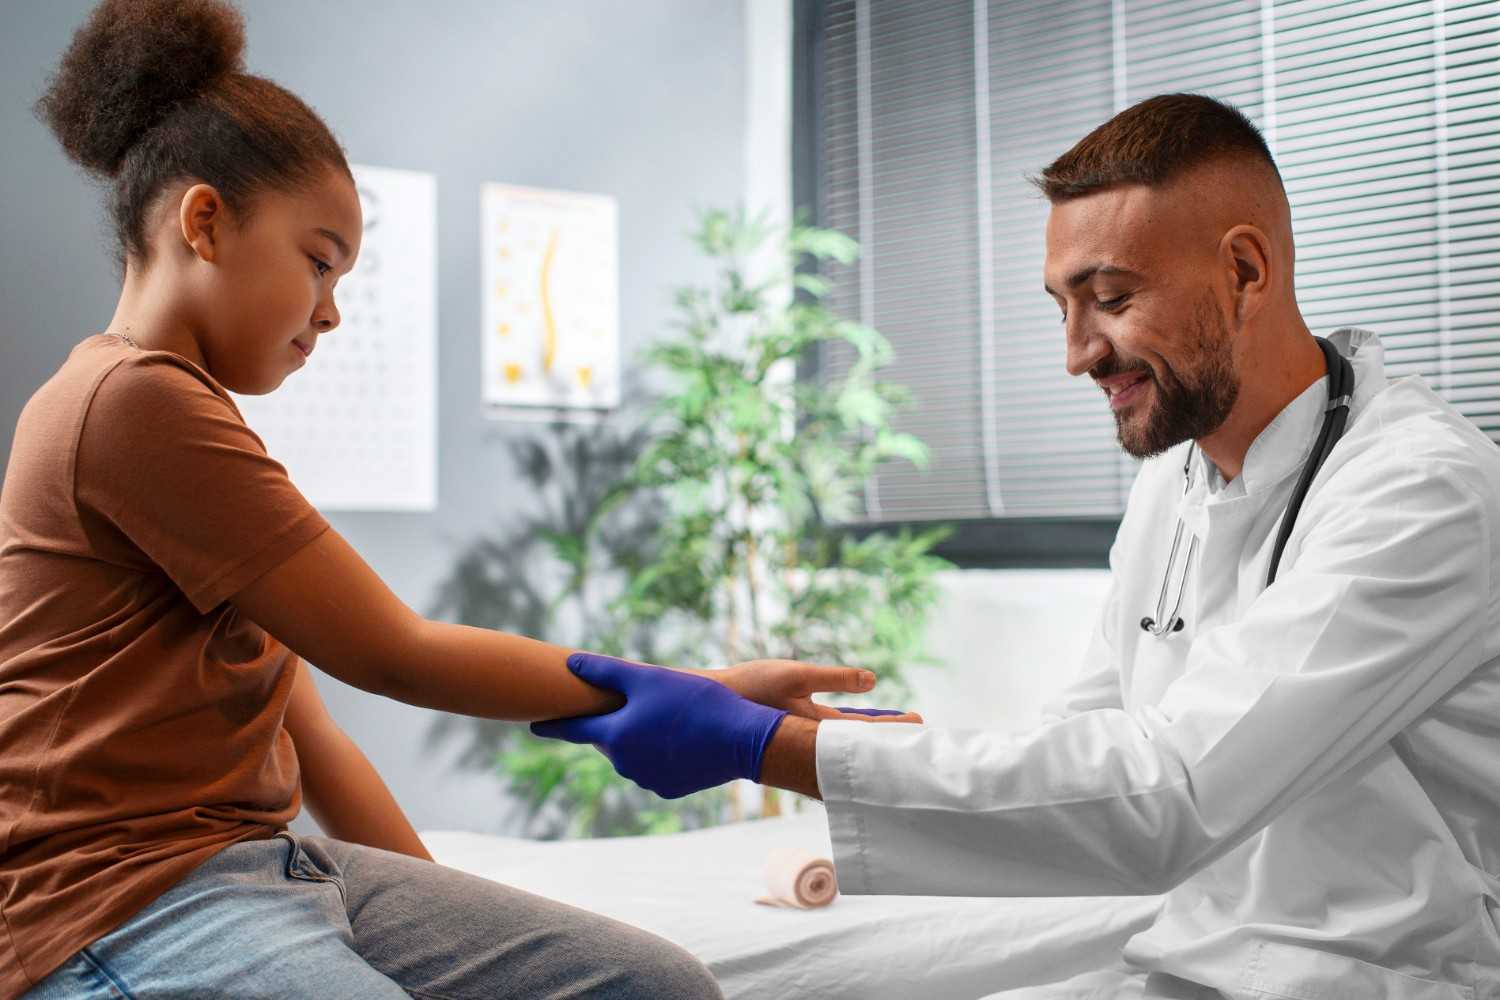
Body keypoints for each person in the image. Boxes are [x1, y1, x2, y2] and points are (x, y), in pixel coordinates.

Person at [0, 2, 917, 997]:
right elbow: (395, 652)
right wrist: (693, 695)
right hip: (124, 901)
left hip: (265, 866)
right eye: (319, 259)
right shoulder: (130, 403)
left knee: (658, 985)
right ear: (206, 221)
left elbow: (309, 730)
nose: (333, 309)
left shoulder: (180, 419)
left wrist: (454, 936)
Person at [532, 94, 1500, 998]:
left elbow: (1175, 793)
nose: (1077, 352)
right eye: (1061, 306)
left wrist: (764, 748)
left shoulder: (1422, 490)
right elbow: (1090, 731)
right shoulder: (1179, 472)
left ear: (1245, 270)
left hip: (1379, 971)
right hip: (1198, 950)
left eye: (1110, 298)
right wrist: (841, 739)